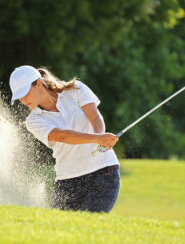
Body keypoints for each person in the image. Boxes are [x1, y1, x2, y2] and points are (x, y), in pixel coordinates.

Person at [9, 65, 120, 213]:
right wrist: (98, 138)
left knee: (89, 226)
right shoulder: (33, 120)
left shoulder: (76, 90)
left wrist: (100, 138)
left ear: (39, 84)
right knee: (58, 231)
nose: (22, 100)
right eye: (19, 97)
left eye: (25, 93)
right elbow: (62, 136)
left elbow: (95, 117)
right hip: (68, 181)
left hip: (103, 172)